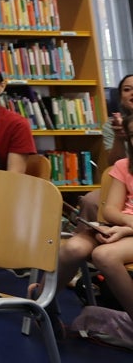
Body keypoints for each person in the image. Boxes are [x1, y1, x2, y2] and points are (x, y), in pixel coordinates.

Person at [57, 102, 133, 318]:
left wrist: (127, 229)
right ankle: (42, 302)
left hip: (126, 230)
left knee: (104, 255)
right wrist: (124, 224)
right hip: (118, 226)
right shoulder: (124, 165)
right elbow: (110, 210)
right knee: (73, 248)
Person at [80, 75, 131, 221]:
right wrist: (119, 138)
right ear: (120, 98)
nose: (132, 93)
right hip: (122, 182)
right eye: (127, 89)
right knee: (89, 200)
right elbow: (114, 165)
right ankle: (94, 232)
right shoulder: (111, 125)